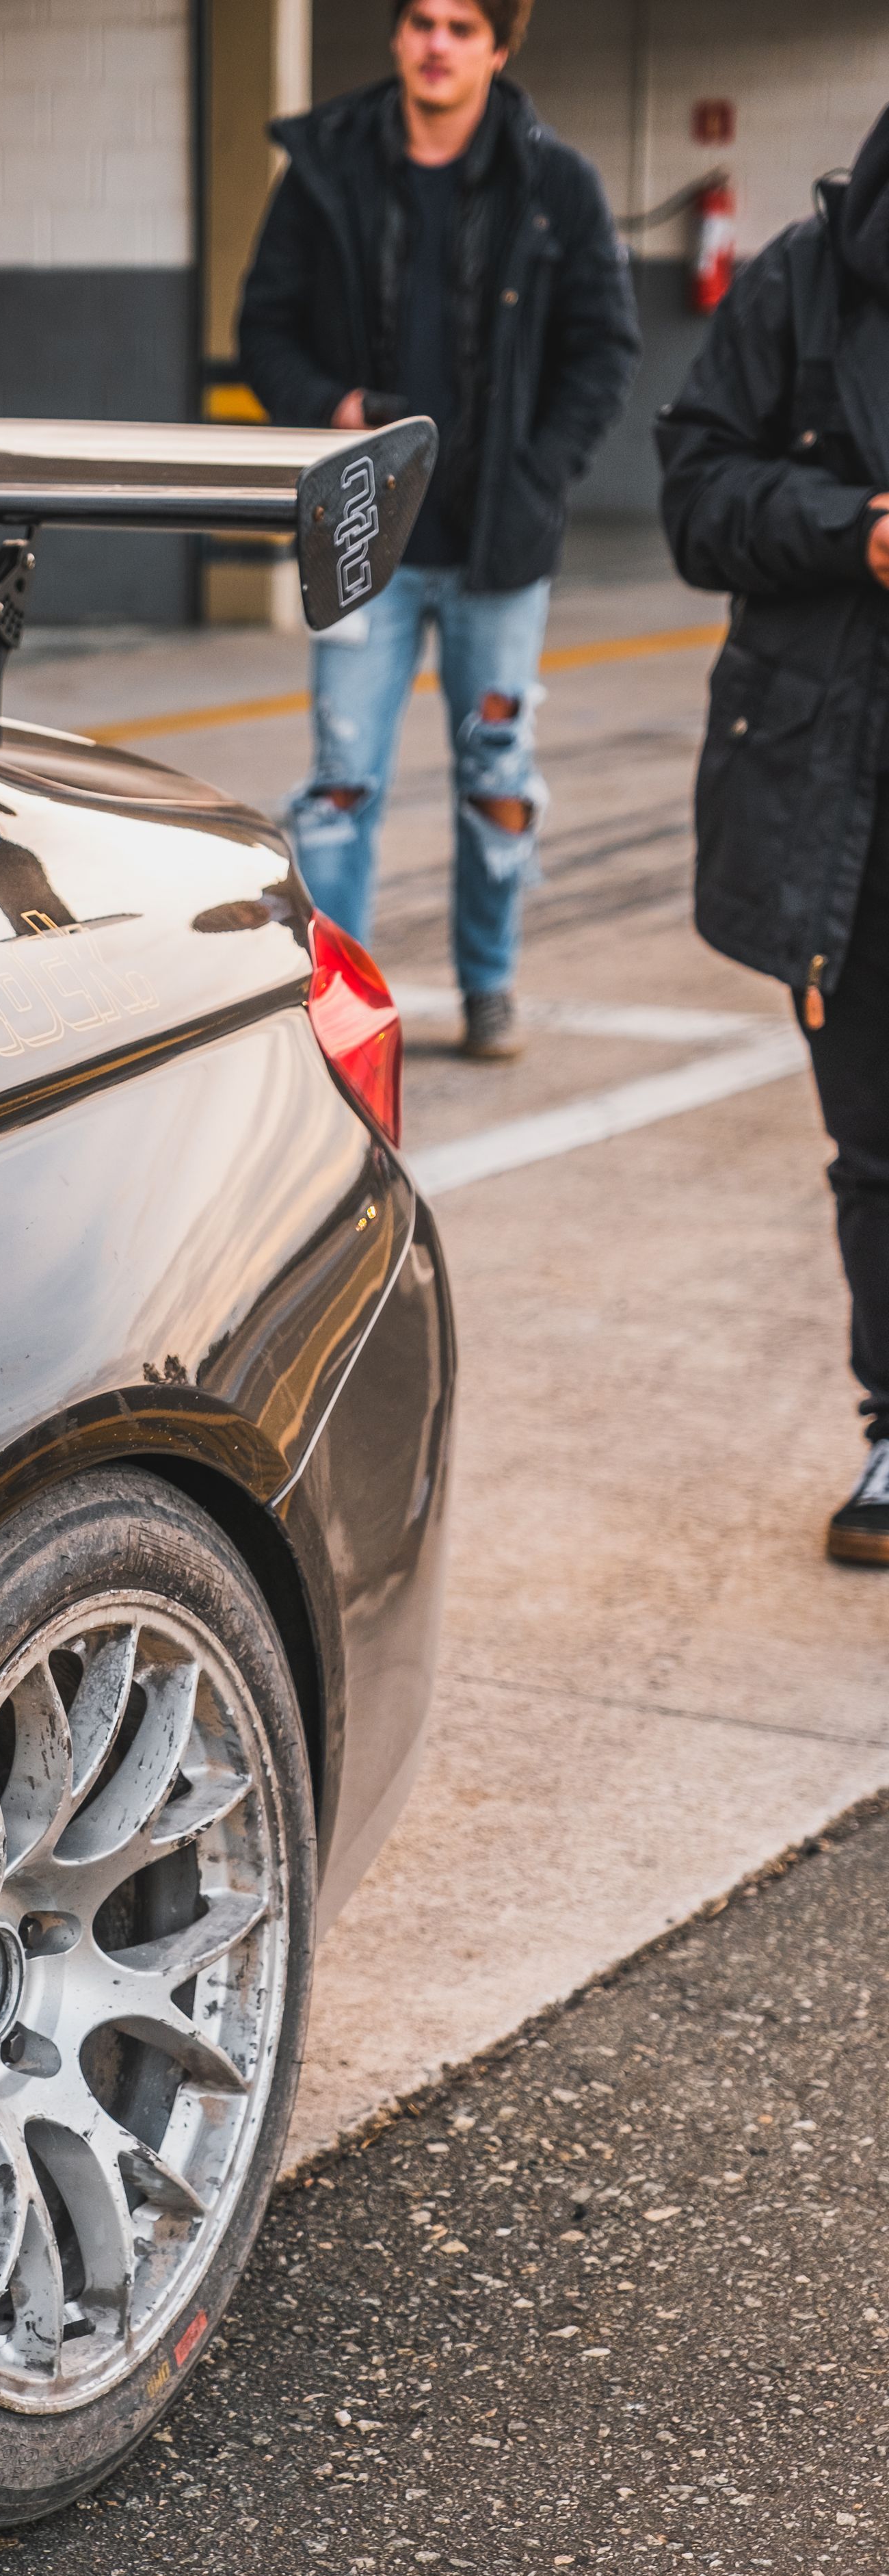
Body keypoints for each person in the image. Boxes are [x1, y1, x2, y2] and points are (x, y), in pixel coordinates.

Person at [239, 0, 639, 1059]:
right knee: (341, 784)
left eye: (464, 26)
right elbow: (262, 330)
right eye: (421, 19)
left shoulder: (558, 184)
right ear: (397, 35)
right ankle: (342, 1011)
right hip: (366, 542)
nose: (437, 42)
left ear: (500, 47)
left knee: (497, 779)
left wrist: (540, 469)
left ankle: (490, 985)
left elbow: (605, 348)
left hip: (498, 547)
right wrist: (338, 413)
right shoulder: (328, 167)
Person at [658, 105, 889, 1568]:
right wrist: (854, 529)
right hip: (840, 798)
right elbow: (695, 498)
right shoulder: (804, 282)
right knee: (880, 1142)